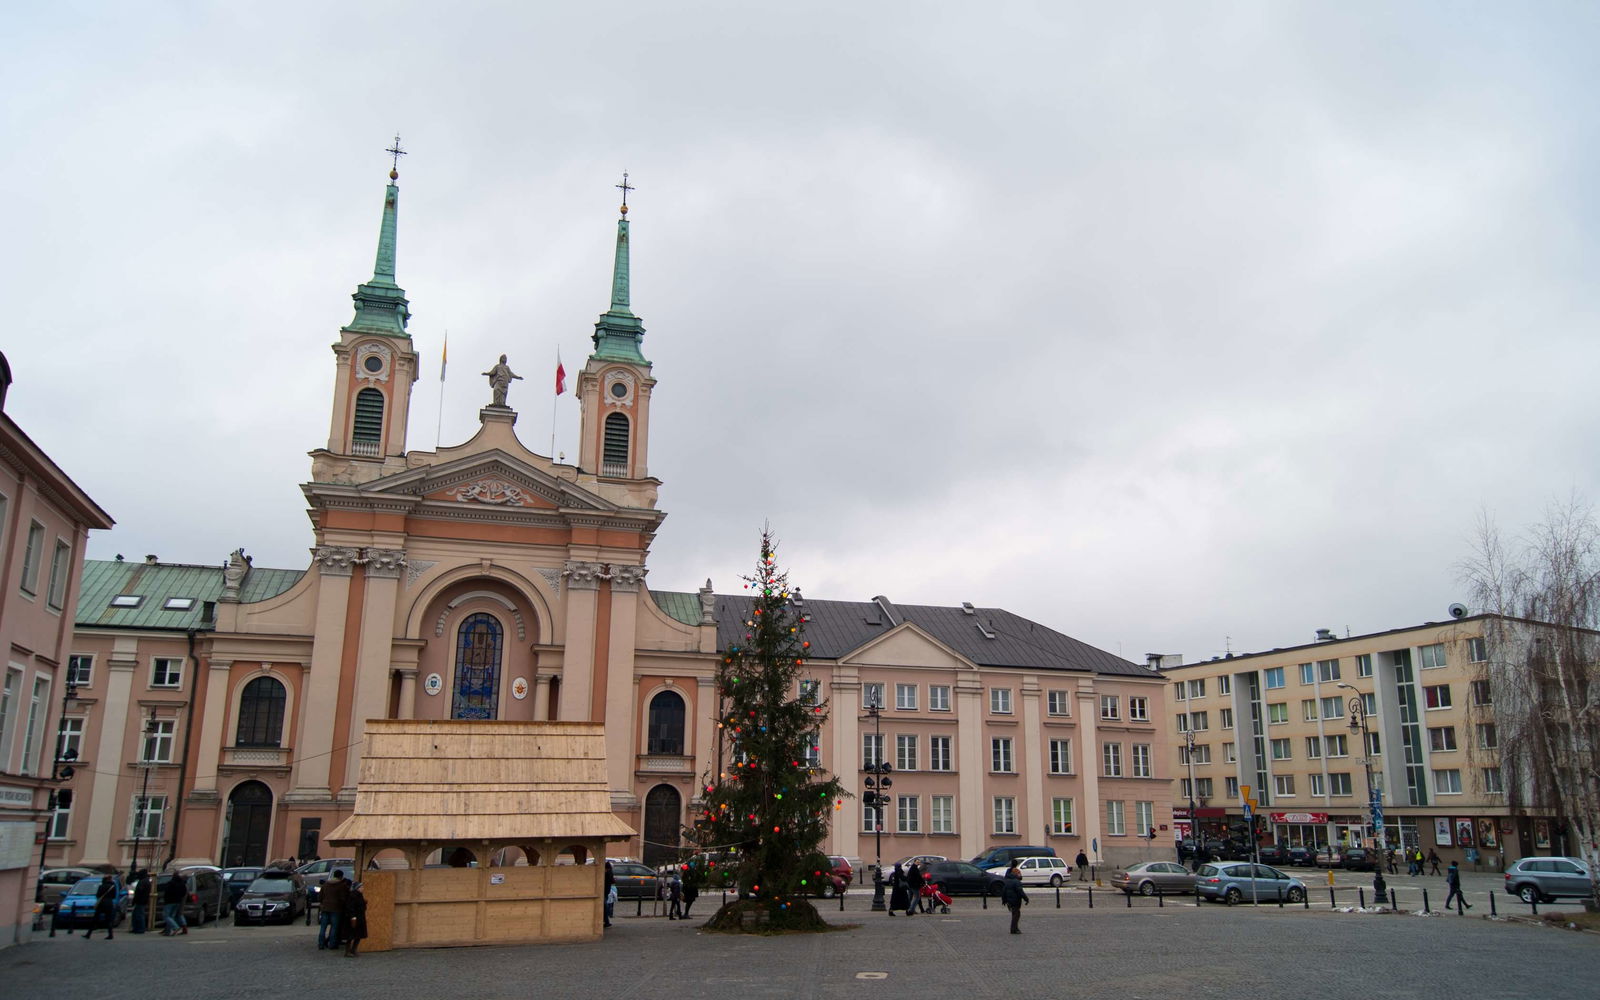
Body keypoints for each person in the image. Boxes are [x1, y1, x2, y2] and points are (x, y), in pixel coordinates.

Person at [318, 869, 349, 951]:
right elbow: (343, 898)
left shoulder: (325, 884)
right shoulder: (342, 885)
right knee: (334, 927)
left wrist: (323, 903)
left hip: (325, 908)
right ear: (341, 877)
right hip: (336, 909)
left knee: (323, 927)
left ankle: (321, 944)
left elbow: (320, 897)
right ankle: (332, 944)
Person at [1000, 866, 1029, 934]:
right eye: (1019, 873)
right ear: (1016, 874)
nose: (1020, 875)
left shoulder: (1008, 881)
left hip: (1010, 901)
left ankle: (1015, 928)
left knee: (1015, 914)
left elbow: (1004, 891)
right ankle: (1014, 929)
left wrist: (1004, 900)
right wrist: (1026, 898)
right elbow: (1020, 891)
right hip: (1015, 900)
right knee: (1016, 914)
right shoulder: (1016, 882)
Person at [343, 882, 368, 957]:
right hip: (354, 918)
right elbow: (350, 907)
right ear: (357, 888)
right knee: (351, 935)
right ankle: (348, 951)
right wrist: (353, 916)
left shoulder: (359, 895)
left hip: (360, 917)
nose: (362, 888)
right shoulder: (353, 896)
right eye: (361, 887)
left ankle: (354, 950)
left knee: (358, 935)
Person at [161, 871, 189, 936]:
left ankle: (175, 927)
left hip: (169, 901)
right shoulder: (182, 884)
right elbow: (184, 892)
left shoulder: (171, 883)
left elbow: (166, 892)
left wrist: (166, 899)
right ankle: (168, 931)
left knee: (166, 916)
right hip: (178, 902)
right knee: (171, 917)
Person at [603, 862, 615, 928]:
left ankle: (606, 921)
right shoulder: (610, 873)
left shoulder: (606, 873)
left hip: (604, 891)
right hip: (607, 891)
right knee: (605, 906)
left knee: (604, 907)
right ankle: (606, 921)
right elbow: (613, 881)